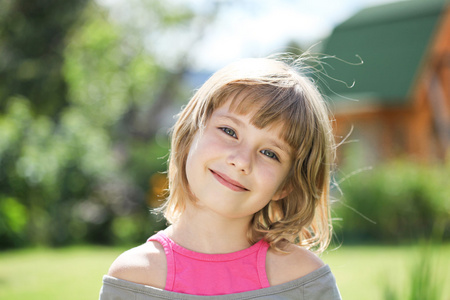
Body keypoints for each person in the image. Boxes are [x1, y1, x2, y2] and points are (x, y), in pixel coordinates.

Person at [99, 56, 342, 299]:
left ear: (287, 184)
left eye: (270, 153)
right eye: (229, 131)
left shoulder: (303, 282)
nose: (242, 161)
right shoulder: (133, 277)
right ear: (190, 134)